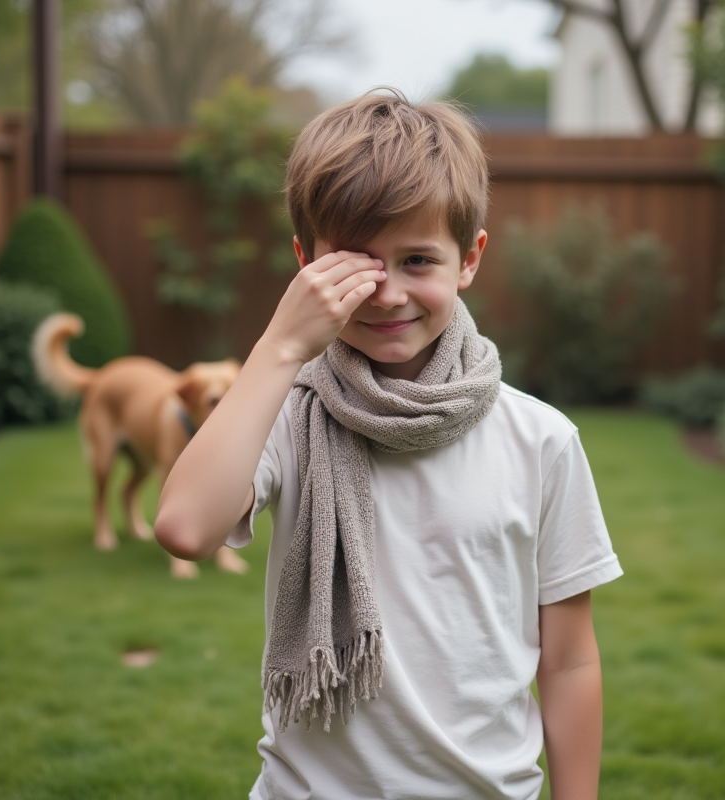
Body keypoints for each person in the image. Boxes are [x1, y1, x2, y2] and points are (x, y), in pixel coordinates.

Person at [155, 90, 622, 800]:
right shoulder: (287, 413)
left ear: (469, 259)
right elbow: (186, 528)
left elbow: (568, 662)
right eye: (356, 263)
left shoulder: (541, 441)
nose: (387, 293)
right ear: (305, 261)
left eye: (417, 261)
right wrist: (281, 348)